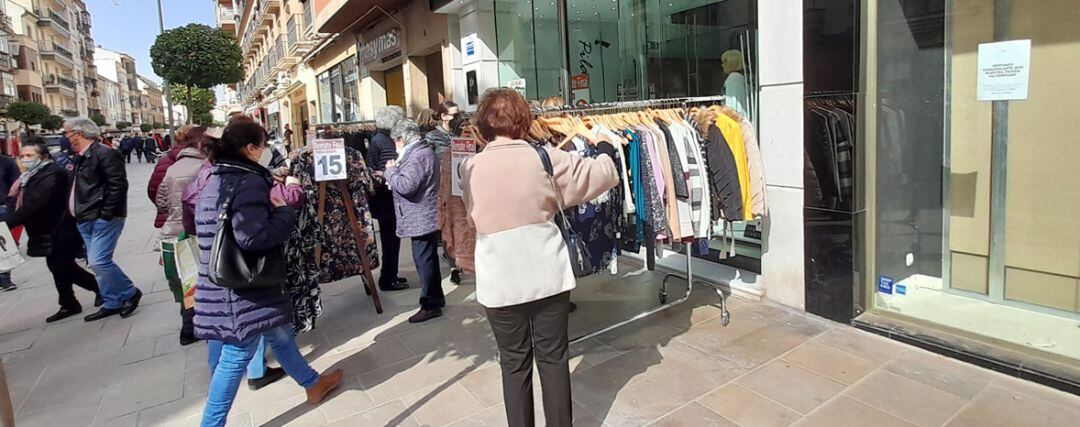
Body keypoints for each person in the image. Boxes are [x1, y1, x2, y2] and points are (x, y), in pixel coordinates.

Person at [459, 89, 618, 427]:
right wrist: (603, 144)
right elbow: (602, 175)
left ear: (483, 124)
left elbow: (473, 217)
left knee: (513, 362)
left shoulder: (469, 167)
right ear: (524, 121)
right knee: (553, 358)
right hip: (546, 271)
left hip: (498, 278)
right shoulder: (546, 159)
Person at [194, 119, 342, 426]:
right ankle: (211, 423)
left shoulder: (216, 176)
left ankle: (313, 383)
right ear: (250, 149)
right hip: (243, 287)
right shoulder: (246, 181)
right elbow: (253, 237)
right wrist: (284, 213)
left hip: (228, 281)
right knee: (236, 356)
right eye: (262, 145)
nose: (266, 151)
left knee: (280, 333)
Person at [5, 141, 100, 322]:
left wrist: (8, 221)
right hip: (46, 230)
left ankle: (94, 291)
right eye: (22, 156)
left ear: (44, 156)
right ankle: (69, 302)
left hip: (62, 227)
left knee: (62, 266)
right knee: (58, 266)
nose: (25, 159)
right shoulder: (29, 176)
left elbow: (36, 203)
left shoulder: (54, 173)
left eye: (30, 155)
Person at [66, 117, 143, 321]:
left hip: (101, 217)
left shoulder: (104, 153)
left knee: (99, 261)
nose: (66, 138)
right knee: (96, 264)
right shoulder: (79, 157)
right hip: (85, 218)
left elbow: (118, 185)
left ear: (78, 134)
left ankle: (130, 292)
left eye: (67, 133)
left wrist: (107, 214)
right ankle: (112, 301)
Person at [385, 119, 444, 323]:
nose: (395, 145)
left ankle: (430, 304)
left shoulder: (418, 155)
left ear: (402, 139)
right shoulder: (422, 152)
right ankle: (435, 300)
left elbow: (406, 185)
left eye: (396, 141)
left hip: (421, 216)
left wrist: (390, 171)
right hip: (422, 214)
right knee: (428, 260)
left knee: (424, 261)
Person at [155, 126, 209, 345]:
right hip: (194, 231)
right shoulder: (205, 167)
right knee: (203, 281)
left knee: (186, 282)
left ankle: (188, 328)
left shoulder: (173, 167)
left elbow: (161, 202)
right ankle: (202, 328)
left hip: (173, 232)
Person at [368, 106, 409, 291]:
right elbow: (385, 167)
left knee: (392, 239)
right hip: (386, 198)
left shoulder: (379, 138)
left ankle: (390, 275)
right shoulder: (383, 141)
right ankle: (388, 278)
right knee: (391, 239)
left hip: (385, 198)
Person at [0, 145, 20, 291]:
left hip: (1, 207)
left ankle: (5, 278)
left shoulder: (6, 162)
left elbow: (16, 183)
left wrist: (9, 205)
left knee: (3, 244)